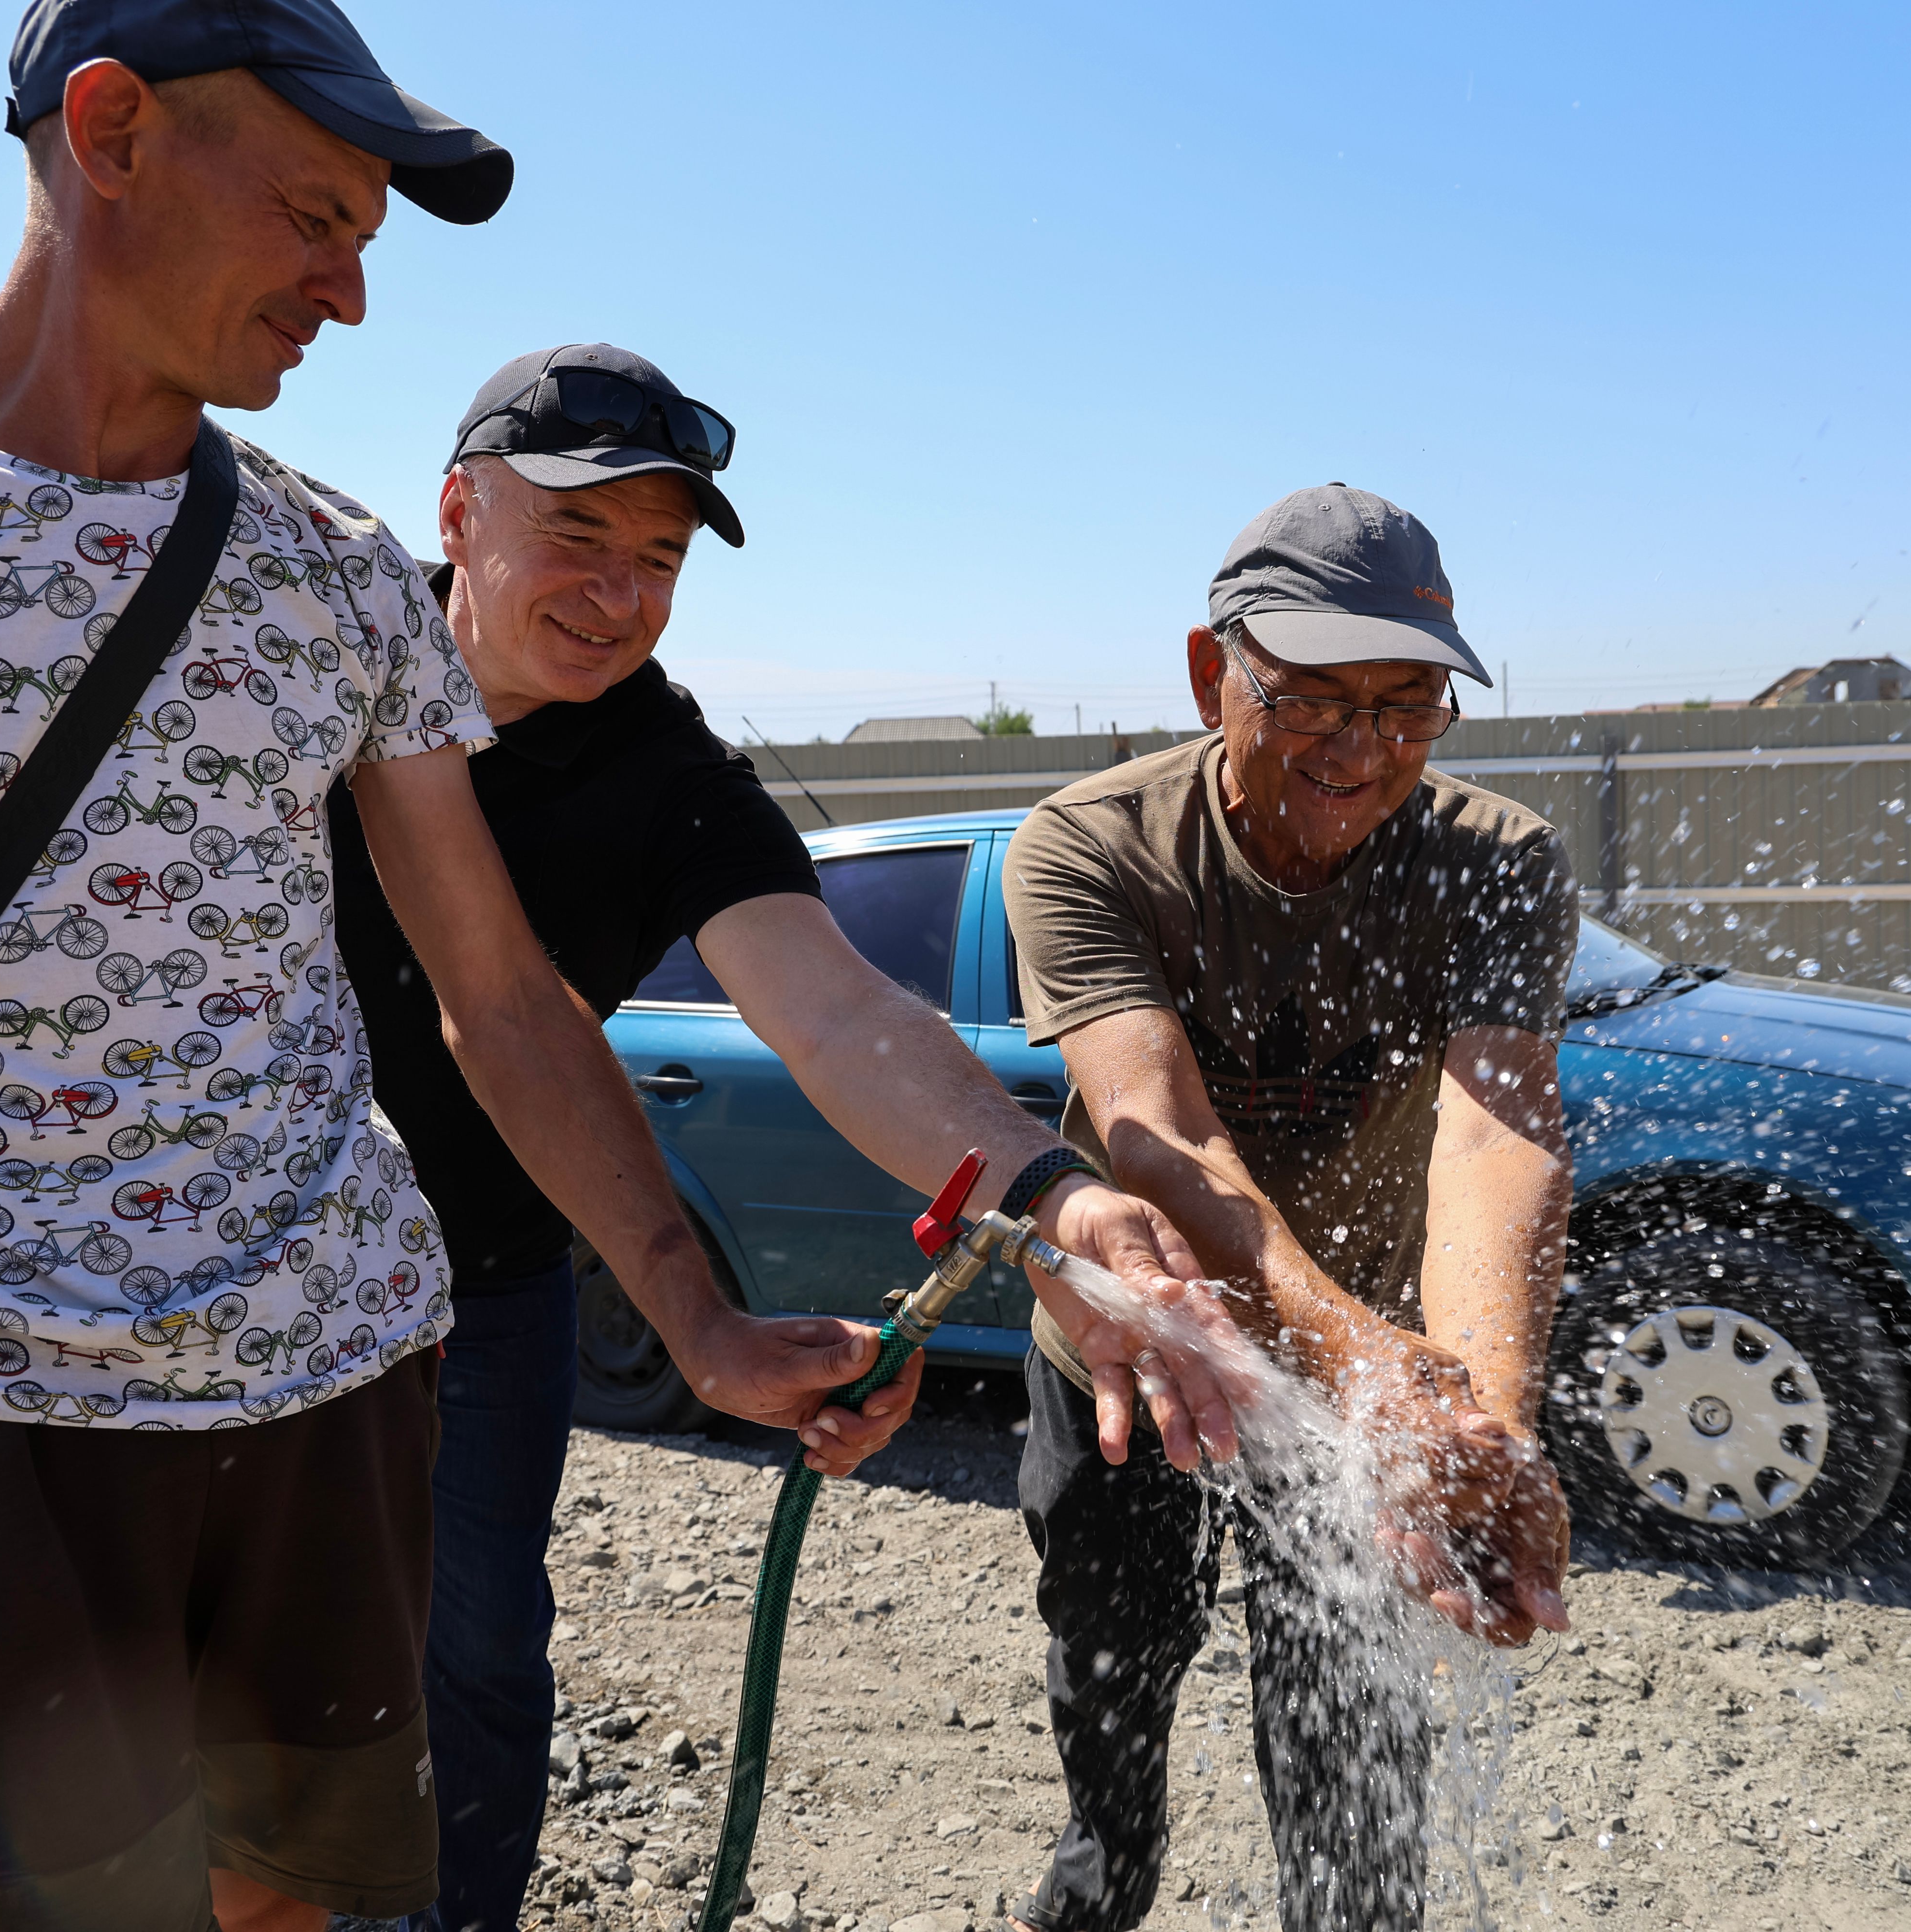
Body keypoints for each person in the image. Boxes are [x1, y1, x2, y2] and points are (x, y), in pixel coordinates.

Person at [0, 4, 937, 1922]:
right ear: (110, 133)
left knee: (288, 1903)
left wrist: (697, 1315)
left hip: (339, 1383)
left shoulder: (334, 570)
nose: (349, 297)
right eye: (319, 216)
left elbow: (498, 995)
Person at [327, 342, 1251, 1932]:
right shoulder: (304, 660)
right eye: (578, 540)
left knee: (468, 1681)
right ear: (457, 514)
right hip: (212, 1252)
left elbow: (837, 1013)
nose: (619, 597)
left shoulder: (666, 776)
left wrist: (1055, 1197)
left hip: (483, 1281)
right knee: (192, 1683)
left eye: (660, 561)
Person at [1000, 484, 1581, 1932]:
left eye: (1409, 706)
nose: (1364, 748)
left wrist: (1481, 1427)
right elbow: (1166, 1135)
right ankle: (1098, 1890)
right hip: (1141, 1358)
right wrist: (1381, 1368)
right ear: (1216, 674)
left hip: (1372, 1394)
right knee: (1111, 1682)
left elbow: (1494, 1134)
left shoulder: (1497, 858)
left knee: (1352, 1766)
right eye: (1317, 699)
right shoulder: (1092, 845)